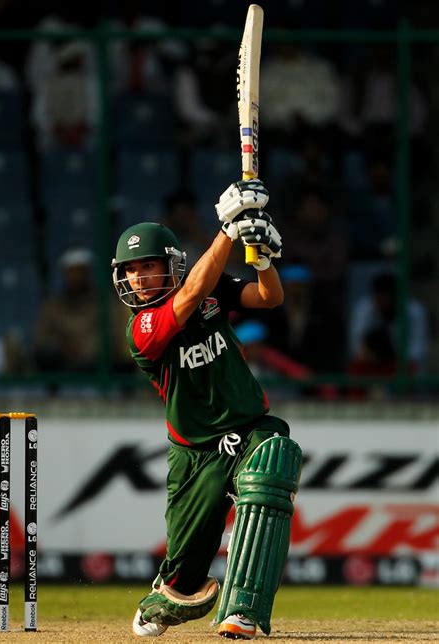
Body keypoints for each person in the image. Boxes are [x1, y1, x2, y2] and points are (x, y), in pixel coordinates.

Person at [111, 179, 303, 639]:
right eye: (132, 270)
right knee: (184, 584)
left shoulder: (208, 290)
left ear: (172, 266)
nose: (139, 278)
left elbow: (269, 298)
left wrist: (266, 259)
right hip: (196, 452)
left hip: (250, 425)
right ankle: (168, 592)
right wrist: (229, 229)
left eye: (149, 266)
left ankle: (244, 611)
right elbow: (192, 295)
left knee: (273, 464)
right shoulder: (142, 330)